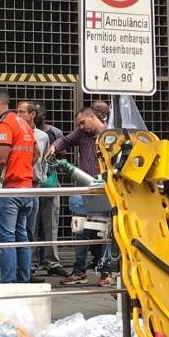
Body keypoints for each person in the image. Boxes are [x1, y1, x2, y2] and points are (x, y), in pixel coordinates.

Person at [47, 107, 113, 287]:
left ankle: (106, 272)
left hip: (108, 190)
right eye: (79, 124)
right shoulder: (82, 134)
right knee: (80, 229)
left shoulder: (112, 134)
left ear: (92, 116)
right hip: (86, 190)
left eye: (83, 122)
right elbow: (65, 141)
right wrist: (54, 147)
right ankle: (79, 271)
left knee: (106, 232)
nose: (81, 127)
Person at [0, 88, 37, 284]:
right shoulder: (23, 123)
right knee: (21, 236)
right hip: (26, 188)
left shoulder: (3, 125)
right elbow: (36, 152)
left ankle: (9, 284)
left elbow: (0, 160)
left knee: (5, 239)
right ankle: (23, 281)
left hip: (10, 189)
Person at [31, 103, 69, 277]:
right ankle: (30, 262)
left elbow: (63, 153)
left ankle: (52, 262)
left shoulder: (55, 133)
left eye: (37, 112)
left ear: (43, 115)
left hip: (50, 182)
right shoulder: (24, 132)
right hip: (31, 185)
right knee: (30, 226)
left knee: (50, 225)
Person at [16, 100, 49, 284]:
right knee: (19, 230)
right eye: (17, 111)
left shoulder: (42, 136)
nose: (18, 115)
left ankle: (28, 270)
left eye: (22, 112)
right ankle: (21, 272)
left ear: (32, 115)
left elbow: (42, 159)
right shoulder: (15, 131)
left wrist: (41, 178)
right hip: (20, 184)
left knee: (30, 230)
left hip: (34, 185)